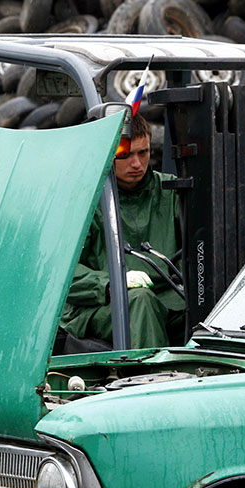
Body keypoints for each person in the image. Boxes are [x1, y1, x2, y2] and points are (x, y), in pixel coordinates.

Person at [60, 112, 185, 349]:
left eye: (143, 153)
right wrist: (110, 283)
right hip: (98, 305)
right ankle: (152, 381)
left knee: (213, 305)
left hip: (167, 299)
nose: (136, 164)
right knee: (141, 301)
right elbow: (60, 271)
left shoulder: (169, 189)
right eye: (124, 155)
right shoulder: (85, 199)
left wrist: (240, 234)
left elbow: (208, 218)